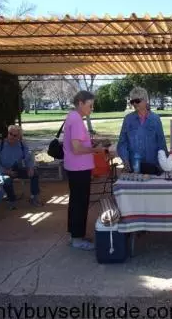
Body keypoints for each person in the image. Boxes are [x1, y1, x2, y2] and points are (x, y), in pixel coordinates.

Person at [63, 90, 106, 251]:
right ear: (80, 103)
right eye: (90, 105)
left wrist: (91, 145)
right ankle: (77, 239)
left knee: (76, 202)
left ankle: (76, 235)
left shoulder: (73, 117)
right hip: (78, 168)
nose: (91, 108)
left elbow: (78, 144)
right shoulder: (75, 119)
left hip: (76, 167)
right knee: (79, 203)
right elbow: (76, 148)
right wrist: (96, 150)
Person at [117, 87, 168, 174]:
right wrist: (125, 160)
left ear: (145, 100)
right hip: (134, 166)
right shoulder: (128, 119)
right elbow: (122, 143)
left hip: (153, 165)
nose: (134, 104)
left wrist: (164, 163)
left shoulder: (155, 119)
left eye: (137, 101)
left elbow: (161, 143)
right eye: (132, 101)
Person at [0, 125, 42, 209]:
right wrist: (7, 171)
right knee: (7, 180)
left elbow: (28, 158)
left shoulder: (22, 144)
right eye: (10, 134)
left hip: (17, 168)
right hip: (3, 170)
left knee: (35, 174)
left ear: (19, 136)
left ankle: (34, 197)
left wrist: (30, 168)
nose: (11, 137)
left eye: (15, 135)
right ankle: (11, 200)